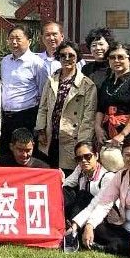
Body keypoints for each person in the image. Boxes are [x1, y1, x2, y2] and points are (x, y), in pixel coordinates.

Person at [70, 132, 130, 258]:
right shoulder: (120, 176)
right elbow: (103, 203)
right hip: (123, 230)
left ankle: (117, 247)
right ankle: (121, 247)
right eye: (127, 155)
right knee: (97, 227)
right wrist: (89, 225)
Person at [34, 41, 96, 171]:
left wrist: (83, 143)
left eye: (71, 55)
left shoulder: (87, 85)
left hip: (72, 138)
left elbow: (88, 117)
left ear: (77, 57)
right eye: (63, 55)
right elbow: (43, 107)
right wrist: (40, 130)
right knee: (49, 174)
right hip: (50, 136)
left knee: (68, 178)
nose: (67, 59)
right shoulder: (52, 79)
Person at [0, 25, 50, 166]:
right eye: (11, 39)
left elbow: (43, 93)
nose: (14, 42)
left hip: (27, 116)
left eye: (18, 39)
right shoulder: (5, 61)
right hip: (7, 117)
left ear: (29, 41)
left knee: (25, 156)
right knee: (6, 155)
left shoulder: (37, 63)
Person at [93, 41, 130, 171]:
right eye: (112, 57)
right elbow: (101, 108)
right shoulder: (107, 83)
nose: (116, 60)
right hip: (107, 130)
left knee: (129, 167)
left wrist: (122, 135)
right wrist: (98, 128)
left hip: (129, 132)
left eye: (121, 57)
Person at [62, 140, 118, 226]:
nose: (83, 161)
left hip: (101, 216)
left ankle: (72, 225)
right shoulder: (80, 169)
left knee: (83, 195)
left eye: (87, 156)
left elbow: (99, 205)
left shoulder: (107, 177)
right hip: (81, 213)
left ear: (96, 156)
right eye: (79, 159)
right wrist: (59, 178)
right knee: (64, 191)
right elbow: (66, 183)